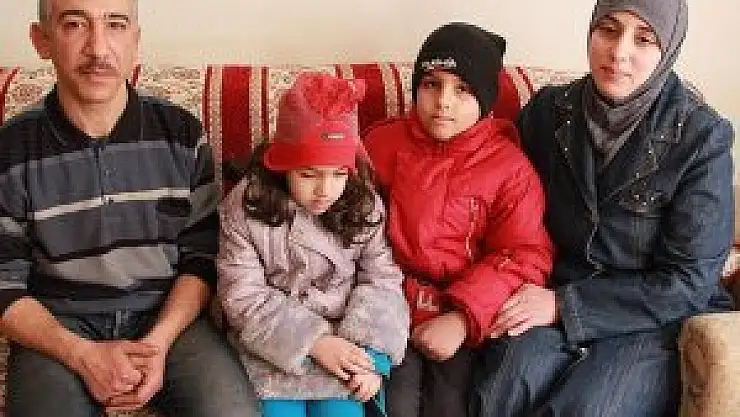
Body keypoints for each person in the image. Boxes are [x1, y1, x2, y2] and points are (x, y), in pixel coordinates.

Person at [473, 1, 735, 416]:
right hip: (553, 290)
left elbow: (689, 281)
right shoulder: (547, 113)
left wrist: (566, 306)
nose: (618, 52)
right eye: (609, 30)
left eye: (643, 39)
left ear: (668, 48)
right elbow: (500, 205)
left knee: (588, 408)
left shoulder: (701, 138)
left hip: (652, 315)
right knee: (503, 390)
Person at [0, 0, 260, 416]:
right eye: (74, 24)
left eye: (116, 25)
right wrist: (81, 355)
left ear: (135, 41)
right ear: (41, 40)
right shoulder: (10, 148)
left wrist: (158, 343)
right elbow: (4, 283)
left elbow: (202, 258)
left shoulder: (181, 134)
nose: (98, 48)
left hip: (167, 318)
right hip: (58, 325)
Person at [362, 22, 553, 417]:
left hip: (463, 319)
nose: (443, 102)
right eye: (432, 84)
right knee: (393, 404)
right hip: (387, 307)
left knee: (451, 405)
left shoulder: (509, 169)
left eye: (462, 89)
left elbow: (523, 255)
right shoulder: (380, 144)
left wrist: (462, 320)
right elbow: (347, 223)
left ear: (486, 99)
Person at [217, 71, 409, 417]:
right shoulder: (245, 207)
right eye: (308, 174)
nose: (325, 190)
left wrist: (371, 359)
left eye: (338, 173)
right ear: (282, 165)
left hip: (348, 346)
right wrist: (314, 342)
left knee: (341, 412)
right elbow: (242, 295)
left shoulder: (364, 206)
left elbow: (382, 280)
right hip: (272, 348)